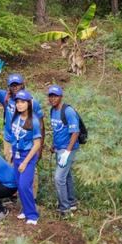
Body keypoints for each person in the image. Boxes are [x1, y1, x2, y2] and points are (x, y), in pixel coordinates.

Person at [0, 60, 44, 162]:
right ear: (9, 87)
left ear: (23, 85)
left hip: (27, 141)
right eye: (12, 85)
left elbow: (41, 126)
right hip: (10, 141)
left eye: (17, 84)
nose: (15, 87)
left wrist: (40, 148)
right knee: (13, 169)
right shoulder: (6, 97)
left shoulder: (32, 102)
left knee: (29, 171)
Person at [9, 90, 42, 225]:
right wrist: (12, 152)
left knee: (24, 185)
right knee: (19, 184)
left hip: (27, 156)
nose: (19, 105)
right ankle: (26, 209)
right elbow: (14, 136)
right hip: (16, 154)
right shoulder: (16, 118)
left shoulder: (33, 120)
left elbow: (37, 144)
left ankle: (33, 215)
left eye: (22, 102)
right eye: (17, 102)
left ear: (28, 103)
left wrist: (25, 162)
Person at [47, 85, 80, 216]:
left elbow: (75, 132)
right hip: (59, 148)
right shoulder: (52, 111)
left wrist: (67, 151)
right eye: (50, 96)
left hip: (68, 150)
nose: (52, 98)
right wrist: (54, 145)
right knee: (66, 176)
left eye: (55, 96)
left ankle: (64, 209)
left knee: (59, 178)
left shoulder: (68, 111)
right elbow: (58, 130)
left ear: (61, 97)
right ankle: (72, 203)